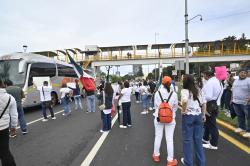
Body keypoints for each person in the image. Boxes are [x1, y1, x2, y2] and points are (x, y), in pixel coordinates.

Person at [152, 76, 178, 166]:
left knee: (158, 137)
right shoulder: (174, 93)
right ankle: (170, 160)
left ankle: (156, 155)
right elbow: (175, 107)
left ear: (162, 83)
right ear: (170, 83)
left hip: (158, 117)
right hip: (170, 119)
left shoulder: (157, 93)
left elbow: (155, 106)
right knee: (169, 139)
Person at [181, 75, 206, 166]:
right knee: (198, 140)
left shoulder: (185, 90)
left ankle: (188, 162)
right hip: (198, 116)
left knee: (187, 140)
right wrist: (203, 115)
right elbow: (203, 103)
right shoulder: (199, 90)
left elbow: (184, 101)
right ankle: (201, 162)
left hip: (188, 116)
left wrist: (184, 111)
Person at [202, 69, 223, 150]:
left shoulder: (210, 82)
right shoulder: (218, 81)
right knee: (207, 123)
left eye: (203, 75)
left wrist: (201, 98)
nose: (203, 77)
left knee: (212, 124)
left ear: (207, 75)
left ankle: (213, 144)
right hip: (215, 104)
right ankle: (205, 138)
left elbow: (209, 96)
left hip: (209, 104)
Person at [0, 78, 18, 166]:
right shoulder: (10, 98)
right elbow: (14, 115)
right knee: (5, 151)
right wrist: (13, 127)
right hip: (3, 128)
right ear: (2, 84)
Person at [232, 68, 250, 138]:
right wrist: (232, 99)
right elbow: (233, 90)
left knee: (248, 117)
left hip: (246, 103)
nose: (243, 74)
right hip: (236, 102)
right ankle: (242, 127)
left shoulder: (248, 80)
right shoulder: (236, 81)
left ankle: (249, 131)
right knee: (240, 116)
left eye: (245, 73)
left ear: (247, 74)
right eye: (241, 72)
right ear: (238, 73)